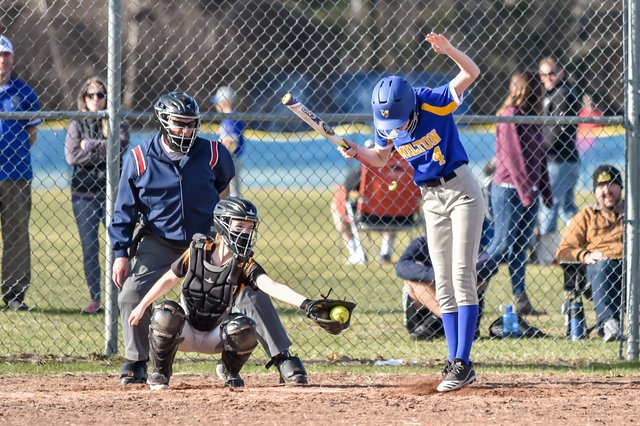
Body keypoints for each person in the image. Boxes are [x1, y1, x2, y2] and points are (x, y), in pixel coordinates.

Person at [109, 92, 308, 386]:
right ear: (164, 122)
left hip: (208, 244)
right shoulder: (139, 159)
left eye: (191, 124)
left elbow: (222, 186)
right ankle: (136, 359)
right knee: (131, 292)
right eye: (179, 124)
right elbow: (124, 210)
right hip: (160, 241)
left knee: (250, 290)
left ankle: (283, 357)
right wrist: (120, 253)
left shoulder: (214, 153)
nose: (186, 130)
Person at [339, 32, 484, 392]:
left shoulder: (432, 101)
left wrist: (450, 50)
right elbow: (382, 159)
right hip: (431, 199)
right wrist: (358, 152)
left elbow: (472, 72)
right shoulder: (387, 119)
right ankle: (454, 361)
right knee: (442, 280)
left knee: (463, 274)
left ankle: (463, 362)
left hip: (462, 190)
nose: (396, 129)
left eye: (400, 121)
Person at [129, 197, 344, 389]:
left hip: (217, 335)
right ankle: (161, 371)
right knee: (165, 313)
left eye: (250, 228)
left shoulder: (244, 264)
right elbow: (169, 278)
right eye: (239, 226)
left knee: (244, 327)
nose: (245, 233)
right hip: (186, 332)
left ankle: (228, 370)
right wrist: (141, 306)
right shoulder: (197, 251)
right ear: (222, 226)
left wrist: (307, 304)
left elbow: (272, 286)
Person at [486, 70, 551, 316]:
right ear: (526, 89)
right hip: (508, 191)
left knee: (520, 247)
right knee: (502, 244)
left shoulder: (533, 117)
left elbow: (540, 156)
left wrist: (544, 189)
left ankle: (520, 298)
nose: (542, 92)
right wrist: (526, 192)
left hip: (528, 191)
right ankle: (470, 284)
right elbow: (513, 159)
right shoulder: (510, 116)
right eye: (538, 88)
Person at [64, 76, 130, 314]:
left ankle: (121, 297)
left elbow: (119, 147)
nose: (95, 99)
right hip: (84, 194)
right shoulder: (76, 123)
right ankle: (96, 298)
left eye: (100, 95)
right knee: (90, 248)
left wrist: (88, 145)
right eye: (90, 95)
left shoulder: (116, 120)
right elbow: (72, 156)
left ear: (106, 98)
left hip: (112, 194)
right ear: (84, 98)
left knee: (119, 247)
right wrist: (102, 146)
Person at [556, 165, 624, 342]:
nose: (607, 190)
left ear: (621, 188)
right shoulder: (586, 216)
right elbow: (564, 250)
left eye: (611, 184)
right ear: (595, 191)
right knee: (601, 265)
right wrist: (586, 256)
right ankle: (609, 324)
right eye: (601, 186)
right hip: (601, 271)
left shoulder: (634, 211)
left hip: (633, 267)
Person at [0, 35, 42, 311]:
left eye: (5, 55)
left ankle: (14, 294)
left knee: (15, 234)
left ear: (12, 59)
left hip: (15, 174)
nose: (2, 61)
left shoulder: (24, 92)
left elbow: (31, 133)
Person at [396, 231, 497, 340]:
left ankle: (459, 320)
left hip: (458, 297)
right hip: (423, 318)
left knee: (479, 279)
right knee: (411, 282)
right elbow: (401, 266)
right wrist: (439, 276)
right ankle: (449, 317)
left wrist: (457, 277)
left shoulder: (464, 244)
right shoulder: (422, 243)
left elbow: (490, 264)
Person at [536, 56, 581, 265]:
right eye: (543, 75)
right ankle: (584, 239)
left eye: (551, 74)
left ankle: (547, 255)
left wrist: (537, 148)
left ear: (561, 73)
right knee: (567, 208)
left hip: (559, 161)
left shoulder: (562, 94)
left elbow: (555, 132)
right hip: (566, 160)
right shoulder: (553, 93)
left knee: (549, 204)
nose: (546, 78)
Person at [331, 141, 402, 265]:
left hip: (369, 215)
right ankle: (386, 253)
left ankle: (356, 254)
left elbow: (346, 187)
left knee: (337, 204)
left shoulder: (367, 167)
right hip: (403, 216)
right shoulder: (408, 166)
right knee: (394, 203)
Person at [212, 86, 246, 197]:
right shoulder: (227, 118)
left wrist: (221, 153)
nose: (216, 105)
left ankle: (236, 210)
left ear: (225, 101)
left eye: (218, 102)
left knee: (233, 191)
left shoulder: (231, 118)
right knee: (228, 190)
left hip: (231, 158)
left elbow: (232, 141)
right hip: (229, 158)